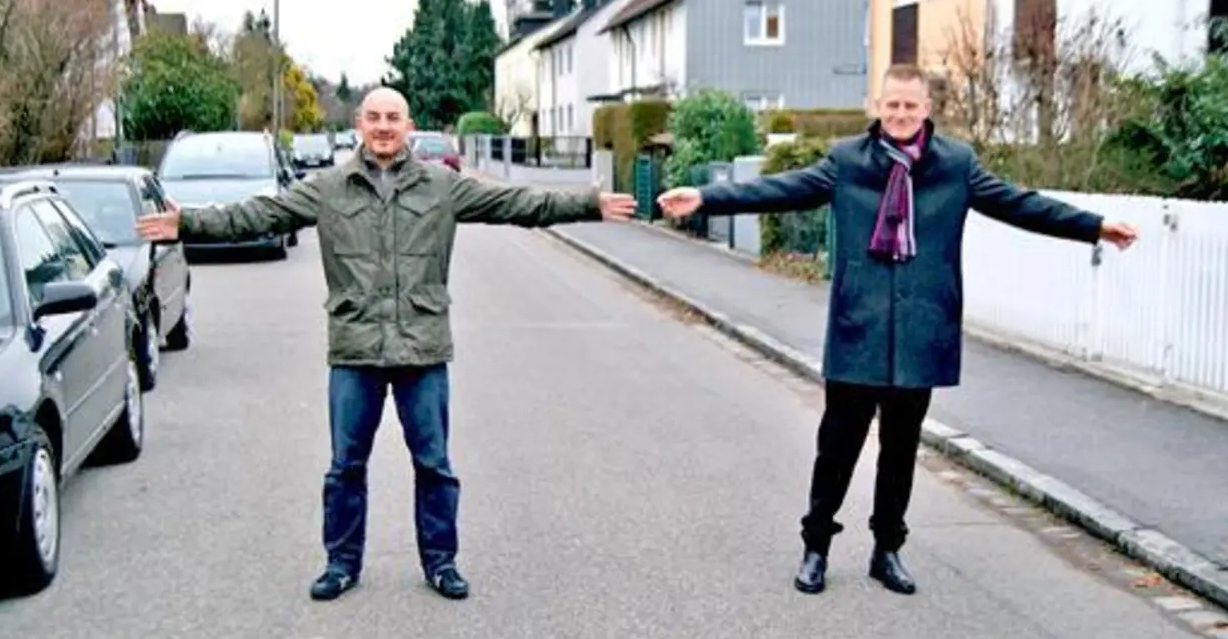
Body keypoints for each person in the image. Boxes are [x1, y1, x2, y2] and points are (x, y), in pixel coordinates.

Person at [655, 64, 1140, 597]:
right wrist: (706, 197)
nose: (901, 114)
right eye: (892, 105)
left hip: (919, 334)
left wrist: (1092, 227)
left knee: (901, 450)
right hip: (857, 330)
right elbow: (781, 189)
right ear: (878, 107)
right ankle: (816, 546)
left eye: (911, 105)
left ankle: (887, 550)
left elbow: (1019, 204)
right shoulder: (847, 162)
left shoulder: (956, 166)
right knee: (836, 449)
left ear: (927, 108)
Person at [136, 88, 637, 601]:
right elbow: (262, 214)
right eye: (374, 117)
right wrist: (188, 222)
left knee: (434, 465)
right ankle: (341, 564)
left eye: (392, 118)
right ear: (359, 124)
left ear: (408, 125)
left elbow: (517, 204)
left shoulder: (441, 186)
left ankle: (441, 563)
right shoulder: (328, 188)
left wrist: (589, 204)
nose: (382, 126)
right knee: (346, 467)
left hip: (422, 349)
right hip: (356, 349)